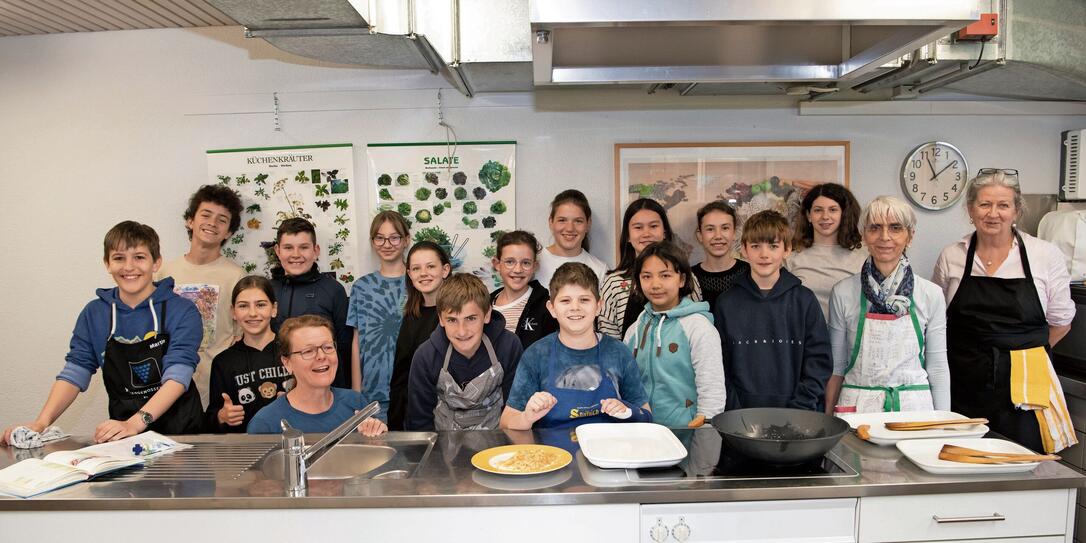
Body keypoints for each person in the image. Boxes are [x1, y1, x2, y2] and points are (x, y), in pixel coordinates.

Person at [2, 221, 203, 444]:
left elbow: (178, 375)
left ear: (156, 263)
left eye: (139, 257)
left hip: (182, 431)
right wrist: (41, 423)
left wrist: (135, 423)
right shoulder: (94, 313)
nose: (129, 267)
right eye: (119, 258)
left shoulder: (182, 310)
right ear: (107, 264)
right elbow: (76, 371)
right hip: (124, 435)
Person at [933, 169, 1076, 453]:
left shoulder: (1044, 255)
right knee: (961, 461)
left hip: (1024, 387)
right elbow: (937, 320)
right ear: (970, 209)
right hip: (963, 381)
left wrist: (1026, 357)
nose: (993, 213)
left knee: (1023, 463)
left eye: (1003, 205)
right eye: (984, 204)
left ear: (1017, 210)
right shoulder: (953, 255)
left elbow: (1062, 322)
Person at [826, 196, 949, 414]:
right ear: (864, 235)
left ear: (910, 236)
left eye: (895, 228)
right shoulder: (843, 292)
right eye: (875, 228)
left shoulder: (931, 294)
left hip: (914, 411)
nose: (885, 237)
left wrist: (943, 424)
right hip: (856, 409)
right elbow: (837, 367)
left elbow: (937, 368)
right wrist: (827, 423)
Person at [501, 263, 651, 430]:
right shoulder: (536, 355)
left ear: (598, 306)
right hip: (552, 453)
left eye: (584, 300)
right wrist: (526, 417)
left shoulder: (619, 352)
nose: (575, 307)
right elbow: (506, 421)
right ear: (552, 308)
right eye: (565, 300)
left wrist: (628, 411)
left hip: (607, 450)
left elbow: (646, 415)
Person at [714, 210, 832, 412]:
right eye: (755, 246)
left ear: (787, 249)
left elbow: (819, 362)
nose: (764, 254)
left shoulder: (805, 300)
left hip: (798, 415)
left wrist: (801, 407)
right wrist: (735, 410)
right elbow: (719, 365)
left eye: (773, 246)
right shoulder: (726, 303)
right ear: (743, 250)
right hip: (740, 419)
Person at [157, 184, 246, 407]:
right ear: (190, 220)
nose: (212, 223)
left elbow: (240, 335)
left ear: (229, 233)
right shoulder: (164, 273)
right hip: (167, 386)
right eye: (206, 215)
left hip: (216, 388)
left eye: (222, 220)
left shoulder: (236, 276)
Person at [625, 241, 725, 428]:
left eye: (665, 275)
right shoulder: (634, 330)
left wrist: (705, 445)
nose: (655, 284)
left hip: (686, 436)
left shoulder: (699, 328)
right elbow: (625, 385)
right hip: (642, 435)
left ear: (681, 280)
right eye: (647, 276)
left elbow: (712, 391)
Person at [406, 273, 523, 431]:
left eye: (471, 318)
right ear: (441, 319)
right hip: (442, 446)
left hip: (497, 444)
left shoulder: (508, 346)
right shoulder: (425, 356)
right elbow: (419, 422)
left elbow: (515, 409)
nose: (462, 332)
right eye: (452, 320)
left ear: (487, 314)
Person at [248, 315, 386, 435]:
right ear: (287, 363)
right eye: (308, 351)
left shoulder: (356, 402)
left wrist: (379, 437)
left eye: (328, 347)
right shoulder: (265, 423)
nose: (321, 356)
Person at [600, 198, 701, 340]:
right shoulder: (613, 283)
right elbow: (608, 340)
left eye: (653, 226)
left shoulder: (684, 276)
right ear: (628, 236)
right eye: (638, 227)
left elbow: (697, 326)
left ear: (665, 232)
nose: (646, 233)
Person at [270, 218, 351, 389]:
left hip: (325, 388)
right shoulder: (268, 291)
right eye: (288, 247)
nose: (296, 254)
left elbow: (344, 348)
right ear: (277, 251)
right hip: (276, 389)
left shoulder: (333, 290)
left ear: (316, 250)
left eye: (304, 247)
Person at [204, 276, 291, 433]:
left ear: (274, 309)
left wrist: (296, 403)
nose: (252, 313)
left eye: (260, 305)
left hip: (294, 440)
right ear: (233, 312)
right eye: (243, 306)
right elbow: (212, 416)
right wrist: (222, 416)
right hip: (245, 446)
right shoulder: (223, 362)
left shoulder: (294, 351)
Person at [348, 211, 410, 419]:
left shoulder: (418, 283)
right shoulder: (361, 287)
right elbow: (357, 341)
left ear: (406, 240)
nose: (387, 244)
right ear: (373, 242)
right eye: (380, 238)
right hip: (372, 396)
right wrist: (356, 393)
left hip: (411, 390)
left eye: (394, 237)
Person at [387, 241, 451, 430]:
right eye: (416, 268)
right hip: (416, 418)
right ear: (409, 274)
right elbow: (400, 377)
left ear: (445, 270)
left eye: (431, 266)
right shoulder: (410, 316)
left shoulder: (457, 315)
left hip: (450, 418)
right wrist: (395, 427)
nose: (423, 273)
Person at [786, 183, 867, 319]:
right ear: (808, 215)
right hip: (805, 338)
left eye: (833, 210)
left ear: (844, 214)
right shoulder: (790, 257)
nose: (825, 216)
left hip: (850, 338)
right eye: (818, 210)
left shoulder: (863, 257)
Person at [490, 230, 558, 350]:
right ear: (497, 264)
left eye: (526, 263)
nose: (517, 269)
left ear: (534, 266)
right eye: (509, 262)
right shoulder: (484, 304)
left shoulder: (547, 307)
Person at [535, 189, 609, 288]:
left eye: (578, 221)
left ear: (588, 224)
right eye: (562, 220)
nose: (570, 228)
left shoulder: (600, 270)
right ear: (551, 222)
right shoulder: (533, 263)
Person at [691, 201, 750, 310]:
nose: (718, 236)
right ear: (700, 235)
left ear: (735, 233)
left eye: (725, 228)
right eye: (710, 229)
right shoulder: (689, 278)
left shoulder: (750, 273)